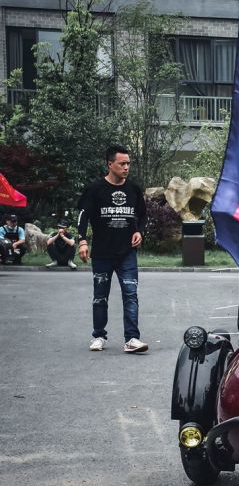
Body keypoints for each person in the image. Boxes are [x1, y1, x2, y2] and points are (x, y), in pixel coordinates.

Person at [77, 145, 148, 353]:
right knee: (100, 297)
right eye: (122, 163)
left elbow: (142, 215)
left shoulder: (133, 189)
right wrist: (82, 240)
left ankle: (132, 339)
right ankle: (98, 335)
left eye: (128, 163)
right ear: (110, 164)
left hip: (126, 252)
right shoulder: (95, 189)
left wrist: (139, 231)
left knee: (131, 294)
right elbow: (83, 216)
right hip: (102, 253)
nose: (126, 167)